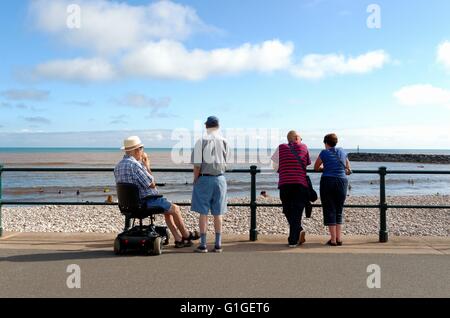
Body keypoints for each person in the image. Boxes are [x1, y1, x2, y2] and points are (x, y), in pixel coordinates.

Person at [114, 136, 199, 248]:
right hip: (144, 202)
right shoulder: (135, 165)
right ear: (136, 150)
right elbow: (151, 183)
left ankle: (178, 239)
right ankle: (186, 235)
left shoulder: (118, 166)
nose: (142, 151)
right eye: (142, 148)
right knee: (175, 209)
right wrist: (147, 165)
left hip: (127, 205)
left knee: (168, 211)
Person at [191, 116, 229, 253]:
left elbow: (197, 165)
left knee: (203, 212)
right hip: (220, 179)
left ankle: (203, 244)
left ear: (206, 126)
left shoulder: (201, 141)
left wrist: (195, 180)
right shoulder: (224, 141)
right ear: (218, 126)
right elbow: (226, 161)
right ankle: (218, 244)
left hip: (204, 178)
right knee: (218, 212)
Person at [271, 130, 311, 248]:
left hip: (285, 183)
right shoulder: (304, 147)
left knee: (287, 210)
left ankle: (293, 238)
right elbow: (306, 164)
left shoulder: (280, 147)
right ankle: (297, 233)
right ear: (296, 137)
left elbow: (274, 166)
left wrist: (282, 169)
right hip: (300, 184)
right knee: (297, 211)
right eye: (301, 138)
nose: (301, 140)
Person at [314, 133, 352, 246]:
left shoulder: (324, 152)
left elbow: (316, 167)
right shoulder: (342, 151)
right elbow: (348, 168)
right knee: (339, 209)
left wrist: (324, 168)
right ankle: (339, 238)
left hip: (328, 181)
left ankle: (333, 239)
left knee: (330, 208)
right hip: (342, 181)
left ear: (326, 143)